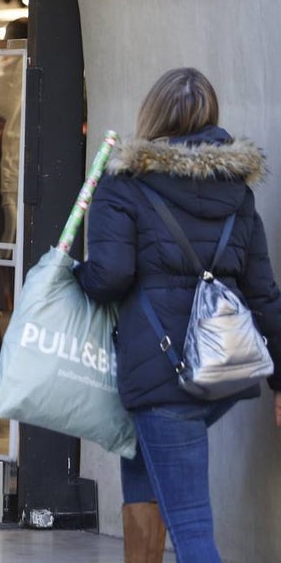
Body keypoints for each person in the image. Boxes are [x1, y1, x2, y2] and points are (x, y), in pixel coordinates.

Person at [74, 68, 281, 562]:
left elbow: (110, 276)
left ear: (153, 115)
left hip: (163, 374)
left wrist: (70, 276)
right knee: (142, 474)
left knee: (191, 526)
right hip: (221, 372)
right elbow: (264, 293)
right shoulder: (238, 193)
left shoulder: (123, 184)